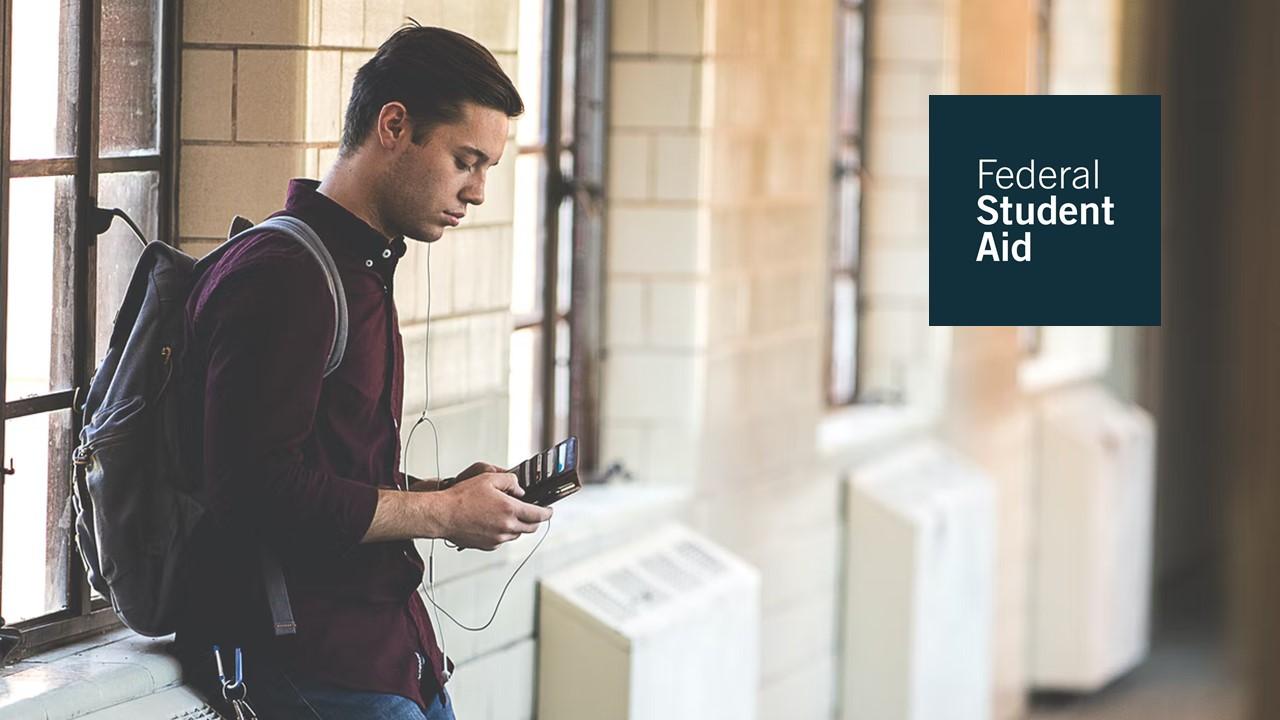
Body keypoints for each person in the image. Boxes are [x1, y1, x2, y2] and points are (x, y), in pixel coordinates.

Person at [173, 23, 552, 719]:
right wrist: (440, 514)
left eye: (488, 169)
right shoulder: (286, 277)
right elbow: (252, 490)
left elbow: (327, 475)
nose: (477, 193)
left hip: (388, 653)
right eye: (467, 160)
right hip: (317, 664)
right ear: (395, 125)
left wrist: (449, 493)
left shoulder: (359, 269)